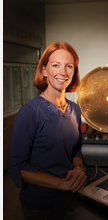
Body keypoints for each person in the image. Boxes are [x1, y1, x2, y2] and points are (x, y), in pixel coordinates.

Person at [8, 41, 87, 220]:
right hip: (40, 205)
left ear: (74, 71)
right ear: (44, 70)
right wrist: (60, 184)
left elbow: (76, 149)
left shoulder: (75, 109)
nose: (63, 72)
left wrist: (79, 168)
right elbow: (18, 166)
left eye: (69, 66)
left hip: (72, 197)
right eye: (55, 65)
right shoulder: (30, 112)